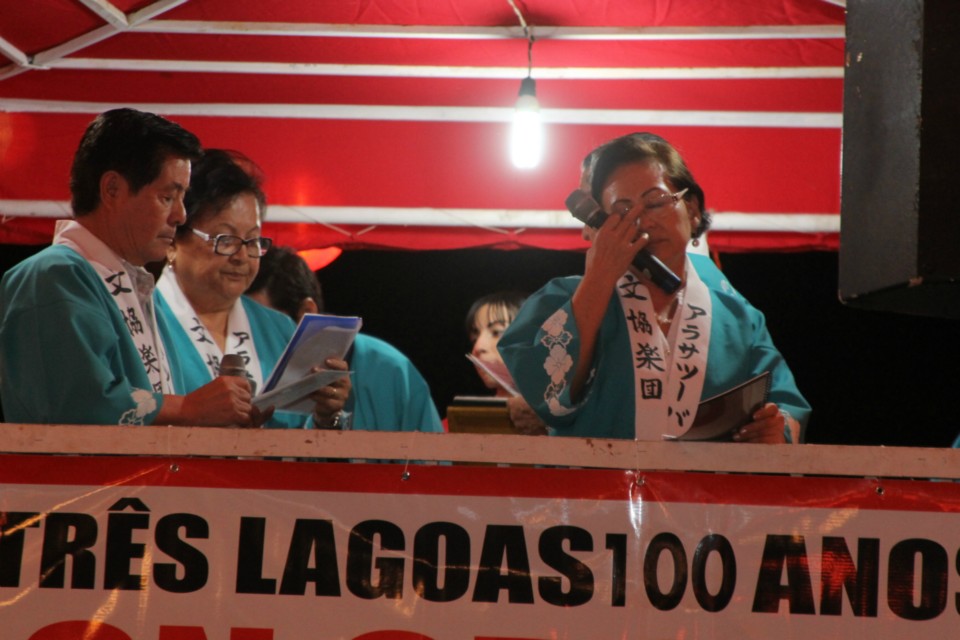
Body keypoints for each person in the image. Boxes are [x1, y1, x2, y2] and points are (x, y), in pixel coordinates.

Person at [499, 133, 811, 443]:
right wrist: (598, 278)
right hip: (595, 491)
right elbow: (545, 395)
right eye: (622, 211)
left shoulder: (737, 317)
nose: (643, 221)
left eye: (656, 201)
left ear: (692, 209)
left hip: (700, 492)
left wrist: (774, 430)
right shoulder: (561, 300)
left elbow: (784, 403)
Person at [0, 108, 258, 426]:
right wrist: (187, 408)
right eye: (167, 197)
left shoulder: (137, 286)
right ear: (112, 190)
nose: (180, 216)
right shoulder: (51, 276)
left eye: (182, 199)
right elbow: (77, 405)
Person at [154, 149, 349, 429]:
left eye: (252, 240)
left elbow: (298, 437)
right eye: (226, 239)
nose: (241, 256)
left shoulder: (278, 328)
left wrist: (326, 414)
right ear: (174, 241)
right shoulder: (144, 318)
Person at [246, 245, 444, 433]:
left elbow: (433, 461)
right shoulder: (247, 367)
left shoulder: (390, 369)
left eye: (263, 323)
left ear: (307, 312)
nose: (255, 337)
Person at [464, 291, 547, 436]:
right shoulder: (451, 426)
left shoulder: (562, 420)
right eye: (474, 337)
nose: (478, 347)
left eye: (496, 332)